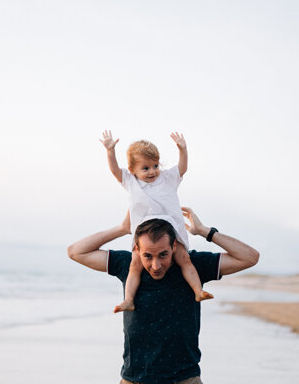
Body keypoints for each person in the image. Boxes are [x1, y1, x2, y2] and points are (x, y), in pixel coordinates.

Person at [67, 207, 260, 384]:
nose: (156, 265)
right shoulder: (128, 265)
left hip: (185, 379)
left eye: (163, 255)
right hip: (135, 379)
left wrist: (204, 231)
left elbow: (250, 257)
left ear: (174, 246)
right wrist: (121, 229)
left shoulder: (194, 266)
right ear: (137, 250)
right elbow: (75, 252)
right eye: (148, 256)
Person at [99, 130, 212, 313]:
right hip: (144, 237)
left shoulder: (167, 178)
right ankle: (128, 300)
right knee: (134, 265)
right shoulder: (130, 181)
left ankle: (198, 291)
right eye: (145, 168)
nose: (152, 171)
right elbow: (114, 170)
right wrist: (110, 151)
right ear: (132, 170)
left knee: (184, 259)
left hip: (171, 233)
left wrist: (183, 150)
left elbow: (182, 168)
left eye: (155, 166)